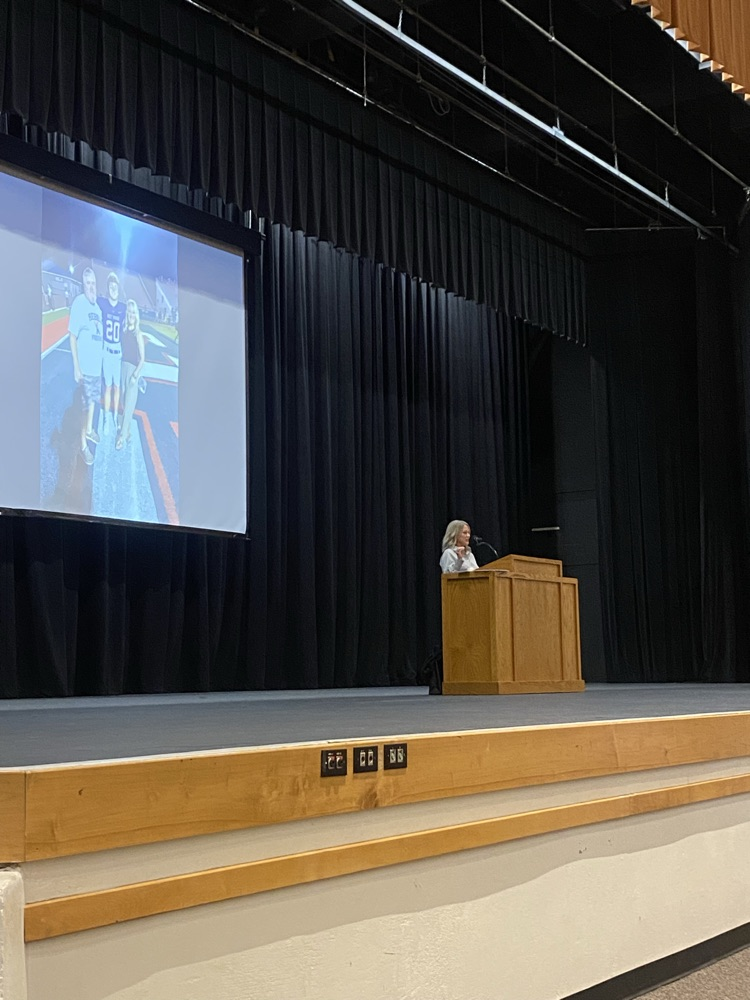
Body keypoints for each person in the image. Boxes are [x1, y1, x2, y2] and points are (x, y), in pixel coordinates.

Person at [68, 267, 103, 466]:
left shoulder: (97, 308)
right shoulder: (79, 303)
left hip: (96, 370)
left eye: (93, 284)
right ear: (84, 285)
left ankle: (89, 431)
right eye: (88, 283)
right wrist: (76, 367)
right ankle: (83, 446)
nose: (91, 287)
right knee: (83, 409)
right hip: (85, 369)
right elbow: (72, 336)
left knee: (92, 403)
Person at [98, 272, 127, 436]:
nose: (113, 289)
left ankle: (115, 417)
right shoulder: (102, 303)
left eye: (115, 286)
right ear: (108, 289)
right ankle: (107, 419)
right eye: (111, 286)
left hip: (118, 353)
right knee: (108, 387)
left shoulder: (123, 308)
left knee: (117, 388)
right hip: (106, 351)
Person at [116, 299, 145, 451]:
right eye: (129, 311)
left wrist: (135, 375)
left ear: (136, 314)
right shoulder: (124, 329)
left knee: (129, 405)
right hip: (123, 368)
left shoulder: (138, 334)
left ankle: (121, 436)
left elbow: (143, 358)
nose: (131, 314)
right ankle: (127, 432)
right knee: (123, 401)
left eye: (134, 312)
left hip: (133, 371)